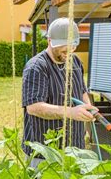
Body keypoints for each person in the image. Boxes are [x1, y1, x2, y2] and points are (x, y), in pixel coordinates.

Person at [22, 17, 97, 166]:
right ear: (49, 41)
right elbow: (33, 107)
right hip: (44, 153)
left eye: (72, 46)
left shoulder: (75, 62)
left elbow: (82, 90)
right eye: (64, 48)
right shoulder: (36, 67)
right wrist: (70, 112)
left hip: (75, 149)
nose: (69, 52)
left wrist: (89, 108)